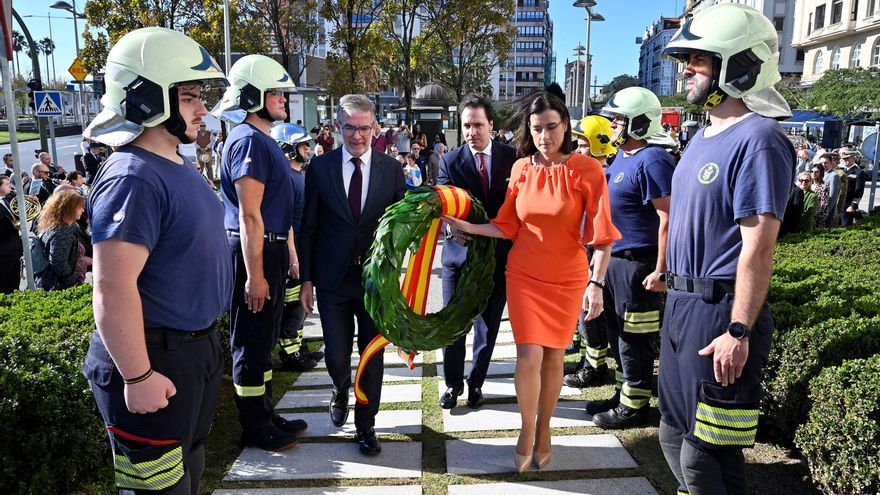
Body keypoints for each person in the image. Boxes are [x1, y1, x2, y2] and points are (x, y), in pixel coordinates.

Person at [80, 27, 232, 495]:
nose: (201, 108)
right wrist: (138, 375)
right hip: (155, 358)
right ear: (148, 100)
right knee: (158, 489)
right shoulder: (133, 178)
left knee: (190, 470)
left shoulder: (177, 164)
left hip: (193, 351)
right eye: (188, 97)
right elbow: (111, 287)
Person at [443, 91, 619, 472]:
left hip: (567, 278)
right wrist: (465, 226)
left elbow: (602, 236)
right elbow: (507, 224)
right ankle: (526, 429)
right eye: (537, 130)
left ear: (566, 126)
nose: (544, 137)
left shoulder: (587, 170)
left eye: (552, 128)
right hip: (523, 274)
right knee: (528, 355)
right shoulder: (521, 169)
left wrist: (596, 283)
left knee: (554, 357)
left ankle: (544, 429)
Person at [659, 5, 795, 493]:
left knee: (704, 455)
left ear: (738, 65)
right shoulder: (699, 137)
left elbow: (758, 249)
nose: (686, 68)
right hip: (681, 307)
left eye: (698, 58)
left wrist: (738, 330)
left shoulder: (760, 140)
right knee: (673, 437)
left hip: (720, 316)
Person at [299, 94, 407, 456]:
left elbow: (400, 225)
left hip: (374, 283)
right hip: (332, 281)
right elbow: (309, 227)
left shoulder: (392, 171)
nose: (357, 136)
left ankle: (366, 425)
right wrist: (307, 281)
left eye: (364, 128)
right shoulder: (320, 168)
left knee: (371, 355)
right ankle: (338, 386)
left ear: (375, 128)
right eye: (349, 127)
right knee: (337, 353)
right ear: (337, 127)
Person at [213, 54, 304, 452]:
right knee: (251, 341)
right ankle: (254, 426)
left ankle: (265, 413)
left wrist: (285, 256)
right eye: (275, 92)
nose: (283, 98)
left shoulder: (260, 138)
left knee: (264, 338)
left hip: (271, 249)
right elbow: (250, 215)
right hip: (256, 251)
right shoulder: (248, 140)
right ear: (253, 97)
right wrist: (255, 275)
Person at [587, 87, 674, 429]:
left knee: (634, 338)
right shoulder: (621, 158)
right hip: (614, 262)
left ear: (639, 122)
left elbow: (668, 217)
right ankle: (624, 393)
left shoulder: (653, 159)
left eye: (619, 120)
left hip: (639, 265)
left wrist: (661, 270)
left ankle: (635, 406)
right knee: (617, 333)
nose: (612, 126)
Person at [438, 94, 518, 411]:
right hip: (459, 257)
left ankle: (475, 384)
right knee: (454, 325)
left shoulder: (513, 158)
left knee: (488, 327)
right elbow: (443, 204)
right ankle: (452, 384)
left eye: (478, 124)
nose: (472, 131)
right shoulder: (450, 161)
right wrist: (450, 227)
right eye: (467, 125)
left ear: (491, 125)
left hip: (498, 258)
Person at [564, 115, 618, 389]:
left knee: (588, 313)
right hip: (581, 249)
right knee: (580, 312)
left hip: (594, 252)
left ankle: (595, 367)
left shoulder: (605, 177)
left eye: (584, 145)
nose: (578, 150)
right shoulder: (590, 174)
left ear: (599, 146)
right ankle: (588, 359)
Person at [270, 122, 325, 372]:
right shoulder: (286, 179)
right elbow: (287, 222)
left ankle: (298, 346)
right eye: (302, 145)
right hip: (293, 251)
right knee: (293, 305)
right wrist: (294, 258)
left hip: (304, 249)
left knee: (301, 305)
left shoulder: (300, 175)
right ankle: (291, 354)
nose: (307, 148)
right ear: (288, 148)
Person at [34, 189, 88, 290]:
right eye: (80, 207)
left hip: (49, 283)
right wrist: (74, 281)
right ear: (69, 208)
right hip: (57, 286)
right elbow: (59, 263)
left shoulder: (54, 226)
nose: (83, 210)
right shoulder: (62, 232)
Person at [0, 175, 22, 293]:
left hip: (14, 249)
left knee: (14, 283)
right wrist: (14, 225)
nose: (10, 186)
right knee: (5, 285)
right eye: (7, 184)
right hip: (4, 252)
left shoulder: (8, 199)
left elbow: (17, 215)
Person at [840, 148, 866, 226]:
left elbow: (859, 191)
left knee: (845, 226)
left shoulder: (859, 172)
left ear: (853, 158)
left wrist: (853, 205)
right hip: (840, 204)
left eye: (847, 158)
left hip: (848, 205)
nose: (845, 160)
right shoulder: (842, 171)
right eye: (843, 158)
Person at [810, 165, 830, 229]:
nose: (813, 174)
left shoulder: (823, 187)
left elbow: (824, 204)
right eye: (812, 171)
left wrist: (814, 215)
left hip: (818, 216)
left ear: (820, 173)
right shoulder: (808, 184)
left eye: (816, 172)